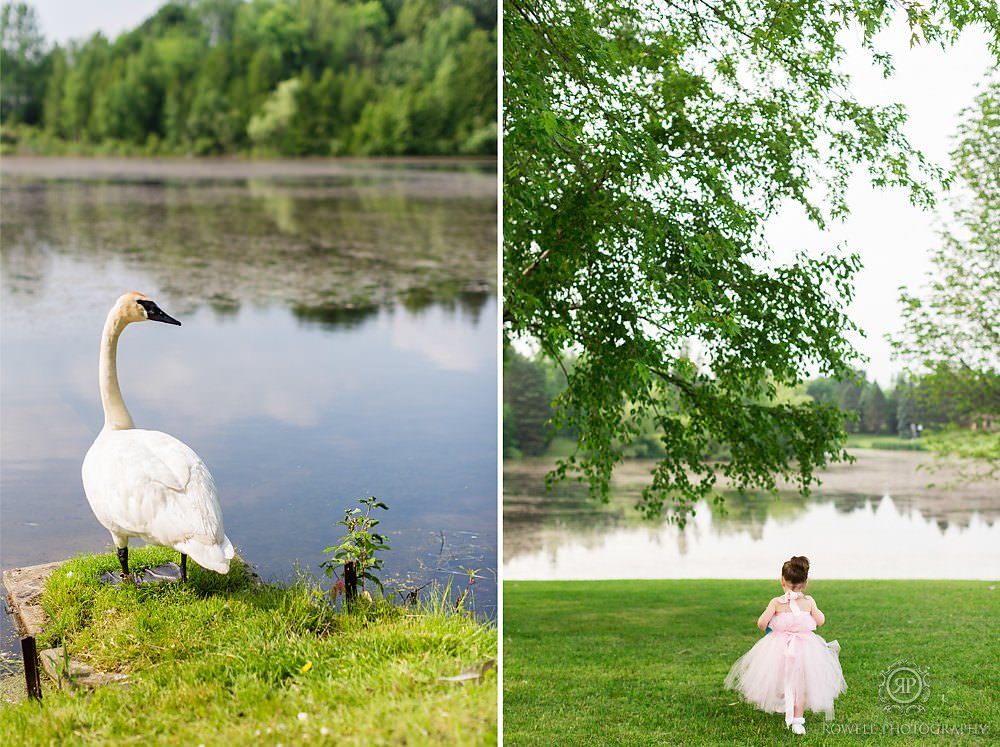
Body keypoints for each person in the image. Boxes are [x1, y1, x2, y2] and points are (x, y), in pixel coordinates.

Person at [724, 556, 847, 735]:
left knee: (777, 676)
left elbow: (761, 623)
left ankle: (782, 702)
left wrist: (773, 624)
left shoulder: (776, 603)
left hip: (778, 648)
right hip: (806, 648)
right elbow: (820, 621)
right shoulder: (809, 602)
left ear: (782, 581)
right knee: (801, 683)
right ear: (805, 583)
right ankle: (798, 721)